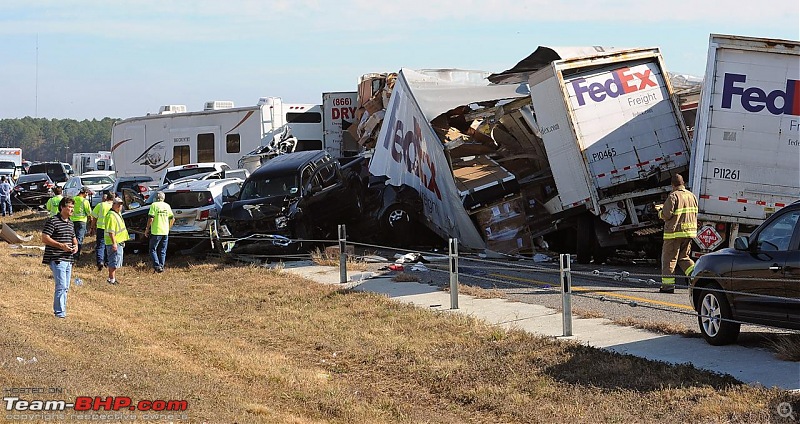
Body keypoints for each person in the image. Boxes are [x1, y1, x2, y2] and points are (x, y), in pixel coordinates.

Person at [658, 174, 698, 293]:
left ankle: (667, 287)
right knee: (684, 257)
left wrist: (659, 211)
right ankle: (697, 277)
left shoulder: (673, 196)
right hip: (689, 233)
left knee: (669, 260)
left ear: (672, 185)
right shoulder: (692, 196)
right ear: (683, 183)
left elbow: (666, 215)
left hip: (674, 234)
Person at [41, 197, 78, 318]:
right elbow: (45, 238)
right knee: (61, 286)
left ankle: (61, 310)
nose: (72, 209)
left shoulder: (70, 223)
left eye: (73, 207)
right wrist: (60, 246)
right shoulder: (53, 221)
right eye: (69, 207)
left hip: (68, 259)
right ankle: (60, 313)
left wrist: (76, 246)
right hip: (57, 258)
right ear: (62, 207)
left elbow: (73, 238)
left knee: (65, 287)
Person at [145, 191, 174, 273]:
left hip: (156, 231)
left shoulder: (154, 205)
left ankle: (157, 266)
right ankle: (161, 266)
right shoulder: (167, 206)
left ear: (155, 198)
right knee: (162, 250)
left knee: (152, 249)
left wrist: (147, 229)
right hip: (165, 231)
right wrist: (168, 227)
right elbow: (172, 218)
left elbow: (151, 218)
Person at [104, 197, 129, 285]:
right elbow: (111, 232)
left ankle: (113, 278)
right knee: (113, 261)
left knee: (116, 261)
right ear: (113, 204)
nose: (120, 206)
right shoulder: (111, 215)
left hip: (119, 241)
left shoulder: (117, 213)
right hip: (113, 242)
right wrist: (114, 243)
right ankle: (111, 280)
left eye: (121, 204)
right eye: (118, 204)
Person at [91, 191, 114, 271]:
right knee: (109, 245)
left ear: (106, 197)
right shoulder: (114, 206)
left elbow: (94, 217)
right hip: (111, 229)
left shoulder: (100, 205)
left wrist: (92, 227)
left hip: (101, 228)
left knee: (100, 245)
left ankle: (100, 261)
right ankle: (107, 262)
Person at [71, 187, 94, 261]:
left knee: (72, 238)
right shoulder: (85, 201)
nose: (87, 195)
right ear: (85, 193)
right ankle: (76, 255)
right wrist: (91, 222)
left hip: (72, 221)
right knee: (79, 239)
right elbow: (89, 212)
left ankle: (71, 253)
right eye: (87, 193)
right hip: (81, 222)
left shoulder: (73, 199)